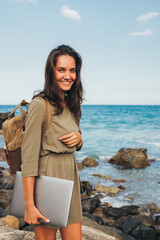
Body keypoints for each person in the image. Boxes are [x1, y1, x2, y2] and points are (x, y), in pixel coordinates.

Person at [21, 44, 84, 240]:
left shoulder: (71, 103)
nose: (68, 76)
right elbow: (29, 157)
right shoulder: (40, 104)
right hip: (47, 180)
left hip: (71, 180)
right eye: (61, 70)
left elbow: (77, 138)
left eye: (72, 70)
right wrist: (29, 205)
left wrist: (80, 139)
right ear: (51, 72)